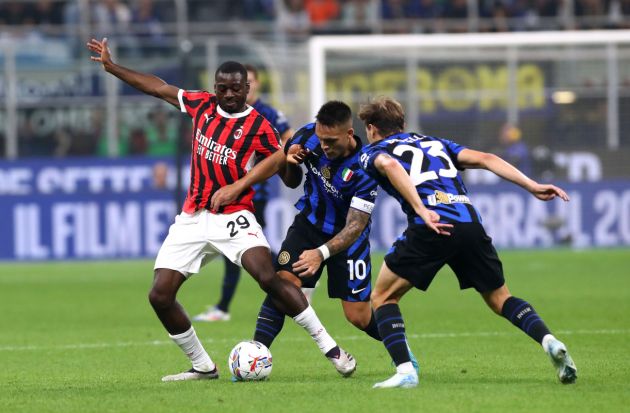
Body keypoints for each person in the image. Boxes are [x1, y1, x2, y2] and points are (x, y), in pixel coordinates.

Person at [87, 38, 356, 381]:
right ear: (215, 88)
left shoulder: (260, 125)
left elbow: (287, 176)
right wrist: (113, 68)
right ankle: (203, 367)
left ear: (247, 88)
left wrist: (285, 164)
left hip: (234, 216)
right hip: (193, 217)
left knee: (267, 277)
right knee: (160, 294)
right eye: (223, 88)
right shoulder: (201, 105)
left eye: (236, 88)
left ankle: (332, 350)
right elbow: (158, 87)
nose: (229, 95)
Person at [356, 96, 577, 389]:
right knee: (501, 298)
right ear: (403, 124)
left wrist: (422, 209)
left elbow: (390, 165)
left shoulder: (373, 150)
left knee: (383, 296)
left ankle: (406, 371)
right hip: (469, 222)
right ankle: (549, 340)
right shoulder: (436, 143)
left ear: (371, 128)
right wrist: (532, 186)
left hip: (432, 225)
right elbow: (487, 159)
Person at [210, 101, 447, 360]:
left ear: (348, 134)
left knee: (357, 316)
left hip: (348, 239)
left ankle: (402, 352)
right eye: (322, 139)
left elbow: (355, 225)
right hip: (309, 225)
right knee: (283, 285)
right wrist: (289, 163)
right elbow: (291, 181)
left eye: (331, 141)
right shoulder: (308, 136)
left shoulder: (365, 166)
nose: (324, 146)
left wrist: (320, 254)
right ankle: (254, 355)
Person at [193, 64, 295, 323]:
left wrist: (279, 159)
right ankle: (292, 272)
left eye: (242, 83)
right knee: (247, 252)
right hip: (226, 195)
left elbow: (288, 143)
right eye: (225, 86)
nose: (231, 91)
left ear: (254, 85)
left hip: (252, 195)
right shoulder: (220, 111)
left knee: (243, 252)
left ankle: (225, 307)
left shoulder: (267, 114)